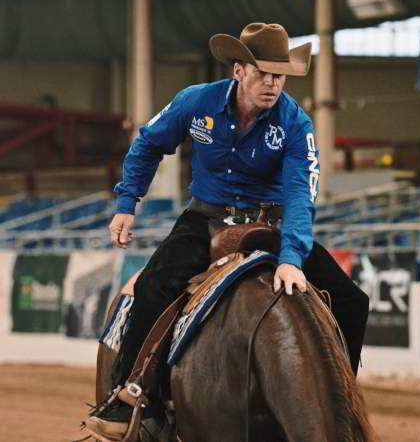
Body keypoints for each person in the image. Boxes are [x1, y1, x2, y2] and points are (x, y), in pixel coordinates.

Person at [85, 23, 369, 439]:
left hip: (268, 223)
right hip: (206, 218)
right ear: (239, 70)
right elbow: (147, 144)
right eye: (263, 73)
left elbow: (299, 195)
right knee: (154, 286)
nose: (272, 84)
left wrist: (291, 259)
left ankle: (337, 406)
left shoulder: (295, 123)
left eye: (280, 75)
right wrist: (128, 203)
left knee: (352, 300)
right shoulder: (195, 103)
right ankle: (132, 394)